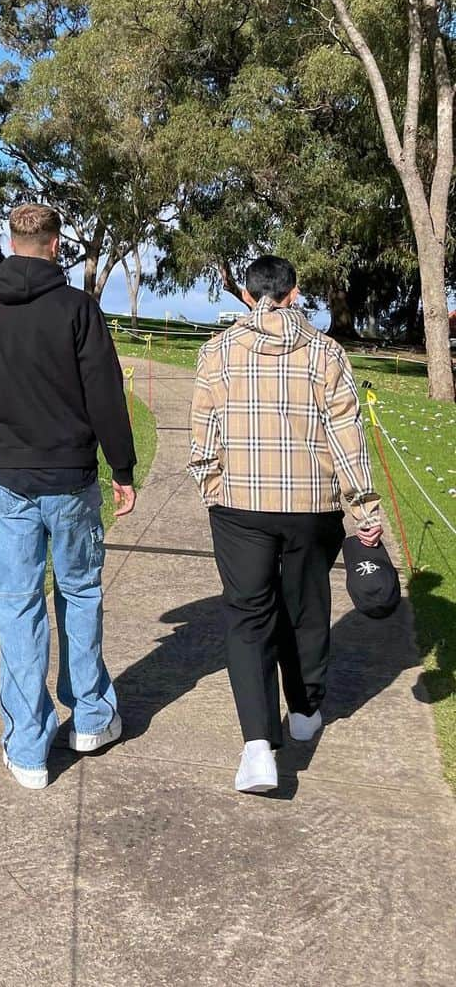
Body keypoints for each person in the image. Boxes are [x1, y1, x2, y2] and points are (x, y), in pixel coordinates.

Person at [0, 203, 137, 790]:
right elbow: (104, 392)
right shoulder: (78, 310)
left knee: (19, 603)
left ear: (12, 242)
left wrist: (5, 417)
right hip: (71, 478)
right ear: (55, 245)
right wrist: (122, 468)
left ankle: (28, 748)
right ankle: (90, 718)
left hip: (8, 477)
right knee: (79, 592)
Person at [188, 256, 384, 795]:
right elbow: (347, 437)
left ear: (248, 296)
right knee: (306, 607)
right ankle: (303, 710)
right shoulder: (326, 353)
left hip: (238, 506)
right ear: (294, 294)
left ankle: (256, 747)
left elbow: (203, 433)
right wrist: (364, 510)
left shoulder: (217, 352)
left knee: (248, 616)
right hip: (311, 506)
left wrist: (211, 488)